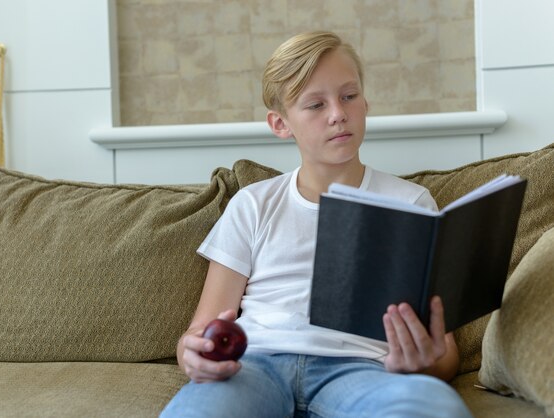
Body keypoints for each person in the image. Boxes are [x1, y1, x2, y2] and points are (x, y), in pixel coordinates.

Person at [160, 31, 473, 418]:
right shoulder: (253, 204)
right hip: (255, 365)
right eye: (315, 104)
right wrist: (192, 355)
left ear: (365, 101)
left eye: (349, 96)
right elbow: (199, 330)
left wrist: (424, 362)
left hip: (364, 371)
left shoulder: (410, 203)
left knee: (436, 409)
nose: (338, 113)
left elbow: (446, 356)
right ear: (280, 123)